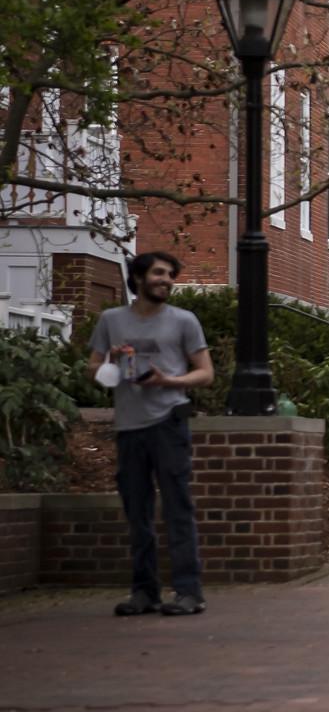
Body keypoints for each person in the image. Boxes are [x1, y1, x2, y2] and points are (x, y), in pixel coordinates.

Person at [87, 252, 215, 617]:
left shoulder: (183, 321)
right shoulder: (111, 320)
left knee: (177, 506)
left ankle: (189, 592)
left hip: (168, 421)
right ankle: (144, 591)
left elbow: (206, 373)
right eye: (159, 273)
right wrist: (109, 365)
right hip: (128, 425)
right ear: (139, 277)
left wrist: (169, 381)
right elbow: (91, 368)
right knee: (136, 510)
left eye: (171, 275)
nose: (167, 280)